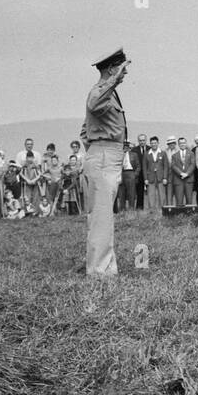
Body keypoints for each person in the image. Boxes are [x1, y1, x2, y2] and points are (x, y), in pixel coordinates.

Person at [82, 47, 130, 274]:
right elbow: (92, 106)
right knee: (101, 217)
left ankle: (106, 267)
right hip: (103, 157)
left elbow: (85, 130)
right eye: (122, 69)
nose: (125, 74)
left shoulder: (107, 93)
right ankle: (100, 272)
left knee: (103, 216)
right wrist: (114, 80)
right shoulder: (100, 91)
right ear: (112, 69)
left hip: (104, 155)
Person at [169, 135, 196, 206]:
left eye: (184, 143)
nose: (182, 144)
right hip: (178, 180)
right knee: (179, 200)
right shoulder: (174, 155)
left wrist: (187, 174)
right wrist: (181, 173)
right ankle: (179, 215)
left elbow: (192, 165)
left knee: (189, 200)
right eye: (180, 143)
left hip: (189, 179)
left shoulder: (191, 153)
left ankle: (189, 214)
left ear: (186, 143)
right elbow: (173, 166)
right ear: (178, 144)